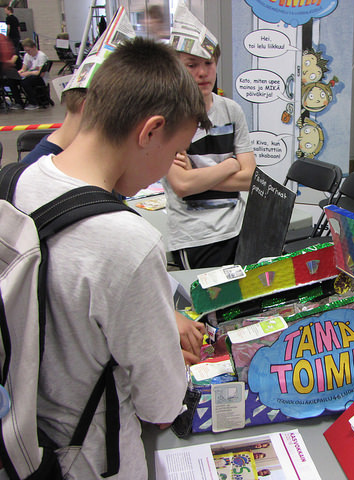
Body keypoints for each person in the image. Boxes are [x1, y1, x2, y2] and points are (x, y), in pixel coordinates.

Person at [10, 37, 211, 479]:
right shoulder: (125, 240)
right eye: (173, 152)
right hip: (94, 455)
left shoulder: (22, 179)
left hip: (26, 433)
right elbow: (160, 403)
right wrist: (169, 360)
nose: (166, 171)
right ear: (150, 131)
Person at [164, 6, 255, 269]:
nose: (203, 73)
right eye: (192, 65)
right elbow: (182, 185)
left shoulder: (231, 110)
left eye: (208, 63)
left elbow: (250, 179)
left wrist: (199, 177)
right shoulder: (168, 116)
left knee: (241, 307)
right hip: (194, 236)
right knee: (207, 308)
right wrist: (230, 165)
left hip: (238, 228)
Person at [18, 37, 47, 109]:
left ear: (34, 47)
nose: (27, 52)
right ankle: (18, 102)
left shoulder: (41, 56)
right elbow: (23, 68)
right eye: (26, 50)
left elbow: (40, 73)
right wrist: (19, 72)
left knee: (25, 82)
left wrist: (28, 73)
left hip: (40, 78)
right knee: (13, 81)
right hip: (32, 75)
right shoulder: (27, 55)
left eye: (29, 50)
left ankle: (34, 102)